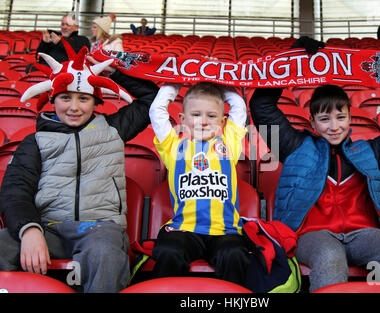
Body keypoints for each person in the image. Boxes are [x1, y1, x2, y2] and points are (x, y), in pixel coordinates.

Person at [249, 38, 380, 291]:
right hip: (312, 235)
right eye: (325, 119)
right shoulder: (295, 148)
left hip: (363, 233)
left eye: (341, 117)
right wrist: (293, 59)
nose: (334, 126)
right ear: (313, 122)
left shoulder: (368, 152)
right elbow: (261, 107)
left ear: (350, 118)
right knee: (330, 255)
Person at [0, 40, 159, 293]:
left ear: (96, 102)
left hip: (99, 229)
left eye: (83, 98)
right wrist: (29, 230)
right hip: (48, 228)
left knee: (105, 252)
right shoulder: (34, 142)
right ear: (53, 100)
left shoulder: (114, 129)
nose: (74, 107)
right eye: (65, 98)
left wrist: (114, 71)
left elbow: (152, 98)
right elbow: (15, 190)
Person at [149, 82, 250, 286]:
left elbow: (238, 105)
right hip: (185, 230)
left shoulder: (228, 143)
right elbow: (156, 110)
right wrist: (177, 79)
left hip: (224, 231)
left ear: (223, 121)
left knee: (235, 254)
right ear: (182, 119)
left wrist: (216, 79)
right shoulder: (173, 147)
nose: (203, 122)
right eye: (196, 115)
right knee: (169, 251)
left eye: (211, 116)